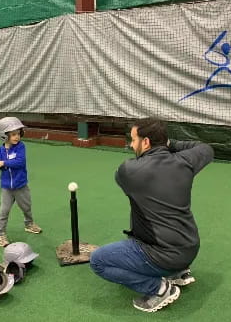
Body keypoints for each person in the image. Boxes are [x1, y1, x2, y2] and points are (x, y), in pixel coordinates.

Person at [90, 118, 214, 313]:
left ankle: (159, 289)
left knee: (98, 260)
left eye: (133, 140)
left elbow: (124, 176)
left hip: (162, 254)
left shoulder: (128, 171)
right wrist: (169, 145)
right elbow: (206, 149)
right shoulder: (185, 162)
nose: (131, 145)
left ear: (146, 142)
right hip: (190, 248)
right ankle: (178, 272)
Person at [0, 117, 42, 247]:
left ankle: (29, 224)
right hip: (6, 187)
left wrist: (3, 162)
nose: (17, 137)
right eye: (13, 135)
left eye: (18, 133)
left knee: (26, 207)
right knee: (4, 211)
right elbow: (3, 168)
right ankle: (1, 233)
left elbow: (20, 162)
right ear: (3, 136)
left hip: (20, 185)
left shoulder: (20, 147)